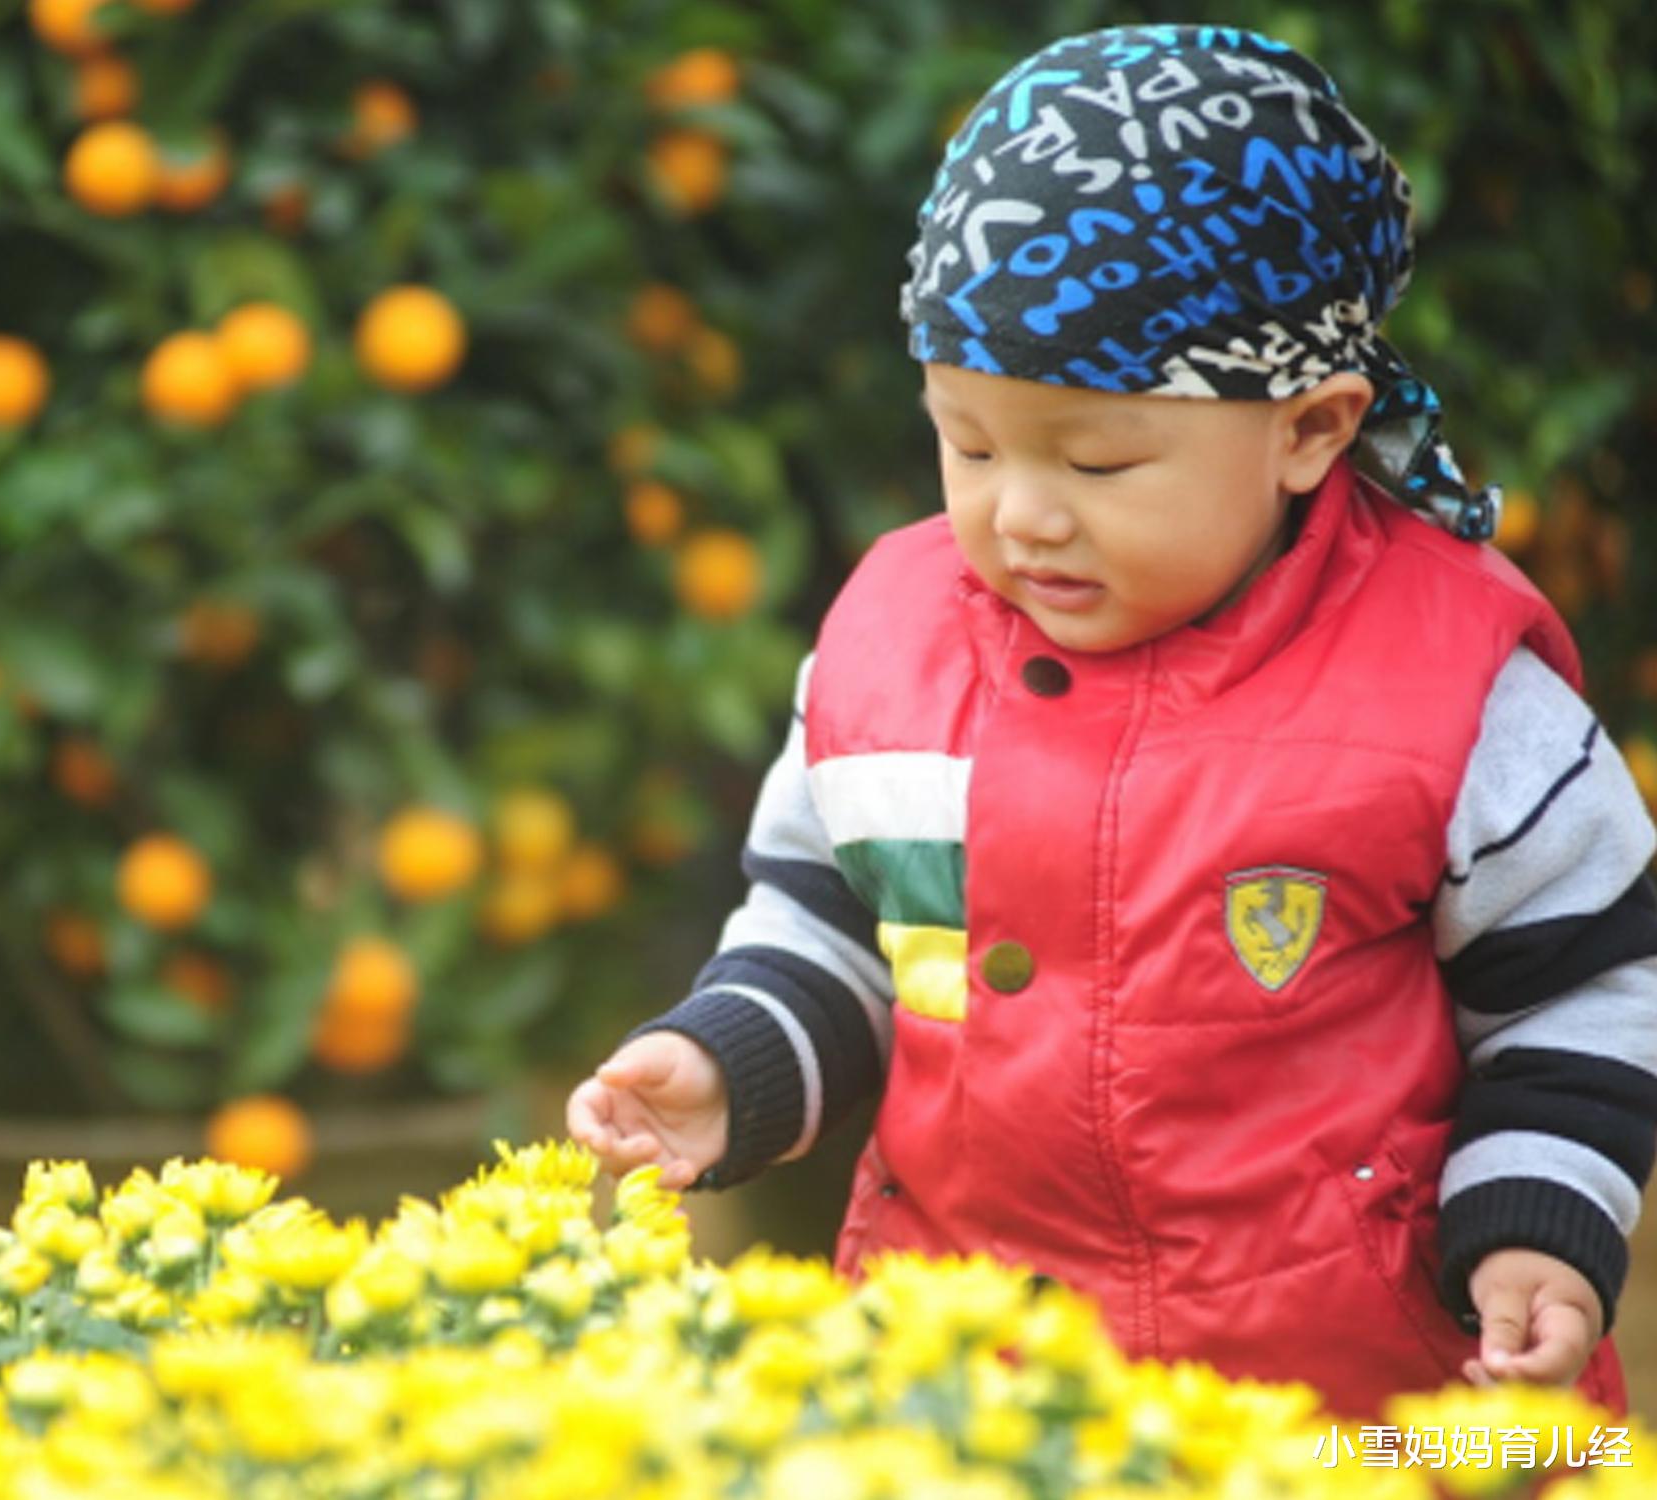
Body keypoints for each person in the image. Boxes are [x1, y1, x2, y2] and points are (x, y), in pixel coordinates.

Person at [566, 24, 1657, 1420]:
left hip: (1359, 1411)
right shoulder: (894, 647)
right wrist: (731, 1060)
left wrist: (1534, 1221)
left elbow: (1585, 988)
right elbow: (836, 926)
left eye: (1099, 458)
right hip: (965, 1397)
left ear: (1310, 430)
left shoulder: (1455, 691)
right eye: (968, 443)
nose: (1022, 512)